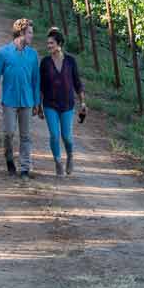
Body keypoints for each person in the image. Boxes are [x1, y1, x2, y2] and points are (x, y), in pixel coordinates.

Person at [0, 18, 41, 180]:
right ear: (21, 33)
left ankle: (25, 167)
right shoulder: (3, 53)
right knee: (9, 133)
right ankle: (9, 159)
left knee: (26, 136)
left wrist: (37, 102)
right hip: (9, 100)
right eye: (30, 33)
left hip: (27, 101)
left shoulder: (33, 55)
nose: (32, 36)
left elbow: (36, 80)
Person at [39, 27, 86, 176]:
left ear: (59, 44)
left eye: (51, 43)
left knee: (66, 136)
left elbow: (77, 83)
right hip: (49, 104)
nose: (49, 46)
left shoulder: (71, 61)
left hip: (67, 105)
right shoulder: (45, 62)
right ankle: (58, 162)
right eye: (48, 43)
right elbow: (41, 85)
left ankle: (70, 156)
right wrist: (38, 105)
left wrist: (83, 103)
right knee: (54, 134)